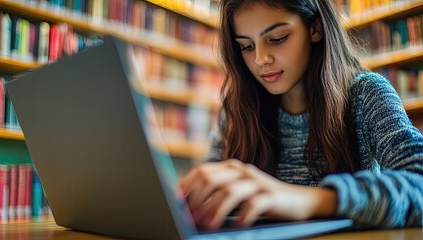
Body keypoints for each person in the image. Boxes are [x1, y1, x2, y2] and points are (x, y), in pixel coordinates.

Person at [179, 0, 423, 231]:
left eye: (277, 38)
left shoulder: (366, 94)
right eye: (247, 45)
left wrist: (310, 201)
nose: (260, 59)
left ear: (314, 28)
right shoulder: (239, 107)